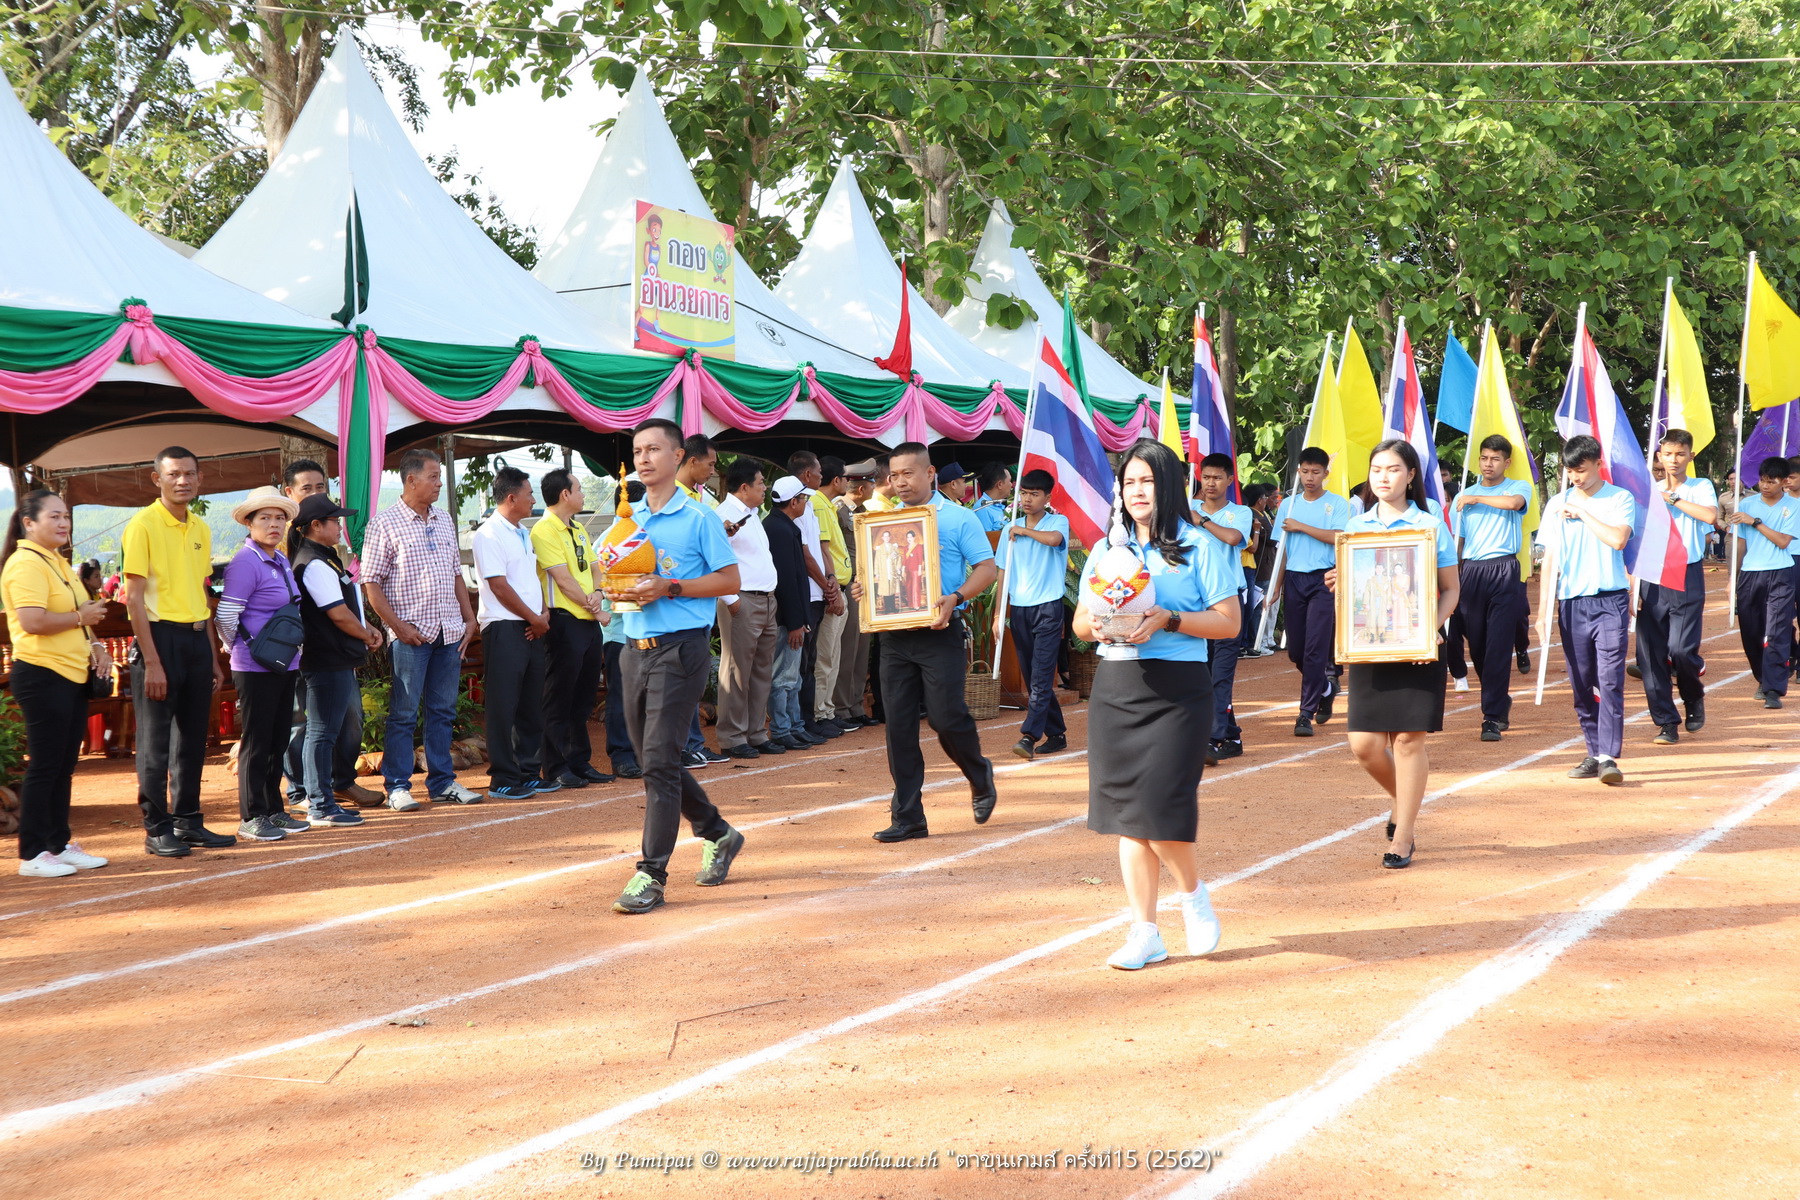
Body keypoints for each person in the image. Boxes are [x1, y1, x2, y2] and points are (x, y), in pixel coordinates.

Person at [1073, 440, 1240, 969]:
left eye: (1146, 480)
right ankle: (1145, 932)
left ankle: (1193, 897)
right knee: (1128, 815)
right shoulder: (1107, 550)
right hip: (1116, 687)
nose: (1136, 491)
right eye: (1129, 482)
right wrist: (1100, 624)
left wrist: (1170, 619)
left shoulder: (1199, 545)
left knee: (1160, 808)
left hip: (1177, 691)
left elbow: (1229, 623)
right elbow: (1080, 623)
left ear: (1167, 485)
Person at [607, 419, 745, 915]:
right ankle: (718, 832)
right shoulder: (629, 516)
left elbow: (730, 580)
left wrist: (671, 587)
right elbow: (617, 573)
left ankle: (651, 874)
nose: (643, 459)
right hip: (632, 647)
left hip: (681, 647)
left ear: (678, 456)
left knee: (659, 760)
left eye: (653, 449)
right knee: (654, 760)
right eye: (637, 451)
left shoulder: (699, 516)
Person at [847, 442, 998, 842]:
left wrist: (956, 598)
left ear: (930, 473)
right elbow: (874, 576)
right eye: (894, 475)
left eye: (908, 473)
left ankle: (978, 773)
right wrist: (864, 588)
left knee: (946, 718)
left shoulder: (959, 518)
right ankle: (908, 816)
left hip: (940, 632)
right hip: (894, 636)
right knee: (897, 727)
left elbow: (987, 568)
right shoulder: (883, 522)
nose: (900, 482)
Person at [1331, 441, 1460, 870]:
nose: (1383, 477)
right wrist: (1340, 581)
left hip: (1419, 647)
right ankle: (1403, 802)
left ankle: (1403, 834)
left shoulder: (1430, 525)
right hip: (1370, 645)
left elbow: (1451, 590)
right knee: (1365, 745)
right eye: (1376, 469)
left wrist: (1430, 629)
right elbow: (1354, 591)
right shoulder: (1355, 528)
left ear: (1411, 475)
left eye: (1393, 469)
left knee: (1407, 740)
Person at [123, 446, 234, 856]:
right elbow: (134, 600)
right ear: (158, 479)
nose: (182, 481)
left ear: (200, 479)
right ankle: (156, 829)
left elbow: (201, 596)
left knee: (192, 739)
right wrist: (152, 661)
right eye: (173, 474)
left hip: (195, 640)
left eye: (189, 474)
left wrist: (213, 655)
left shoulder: (201, 528)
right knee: (155, 744)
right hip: (159, 640)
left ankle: (188, 822)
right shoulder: (142, 525)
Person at [361, 448, 485, 809]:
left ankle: (442, 782)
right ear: (411, 480)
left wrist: (469, 618)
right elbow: (371, 583)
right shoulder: (384, 523)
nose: (439, 483)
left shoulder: (444, 519)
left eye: (439, 476)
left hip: (449, 632)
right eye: (434, 476)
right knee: (403, 713)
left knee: (442, 711)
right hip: (411, 636)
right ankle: (398, 786)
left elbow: (456, 573)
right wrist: (398, 627)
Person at [2, 491, 113, 877]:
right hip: (42, 672)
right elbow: (32, 621)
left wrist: (97, 646)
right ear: (28, 523)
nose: (64, 522)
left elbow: (83, 614)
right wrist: (81, 619)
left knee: (63, 766)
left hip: (71, 673)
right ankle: (33, 854)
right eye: (54, 516)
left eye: (65, 515)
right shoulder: (25, 563)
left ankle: (58, 843)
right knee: (46, 766)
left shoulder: (57, 561)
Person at [279, 459, 379, 812]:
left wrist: (365, 628)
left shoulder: (325, 554)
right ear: (289, 493)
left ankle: (337, 784)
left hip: (335, 653)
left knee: (344, 720)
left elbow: (344, 602)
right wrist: (364, 634)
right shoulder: (295, 546)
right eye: (306, 488)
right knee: (307, 726)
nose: (314, 493)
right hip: (312, 653)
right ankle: (306, 793)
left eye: (320, 487)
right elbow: (336, 612)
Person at [1537, 434, 1637, 785]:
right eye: (1570, 471)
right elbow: (1550, 560)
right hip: (1571, 604)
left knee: (1609, 679)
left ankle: (1609, 757)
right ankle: (1594, 752)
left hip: (1610, 601)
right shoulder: (1556, 505)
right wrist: (1542, 613)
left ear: (1598, 463)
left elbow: (1618, 539)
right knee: (1582, 683)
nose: (1575, 477)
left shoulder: (1620, 498)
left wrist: (1581, 512)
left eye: (1581, 470)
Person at [216, 487, 308, 841]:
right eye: (265, 518)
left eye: (280, 518)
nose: (274, 524)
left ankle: (273, 810)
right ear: (249, 523)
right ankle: (252, 815)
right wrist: (236, 647)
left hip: (284, 662)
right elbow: (226, 615)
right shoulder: (245, 562)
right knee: (257, 740)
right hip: (254, 666)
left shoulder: (280, 559)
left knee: (277, 738)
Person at [1630, 431, 1718, 742]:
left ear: (1690, 456)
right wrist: (1633, 586)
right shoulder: (1646, 491)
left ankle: (1693, 696)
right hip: (1651, 575)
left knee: (1681, 649)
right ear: (1659, 457)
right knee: (1650, 656)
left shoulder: (1700, 486)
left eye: (1680, 454)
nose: (1674, 460)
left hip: (1686, 573)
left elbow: (1710, 515)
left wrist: (1674, 499)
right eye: (1668, 454)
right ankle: (1666, 721)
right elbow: (1635, 538)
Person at [533, 467, 615, 789]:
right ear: (565, 494)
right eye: (579, 489)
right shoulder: (544, 530)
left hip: (588, 621)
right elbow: (563, 580)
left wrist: (598, 593)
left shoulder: (578, 528)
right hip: (564, 622)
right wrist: (595, 607)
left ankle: (579, 761)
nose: (583, 494)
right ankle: (554, 766)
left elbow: (596, 568)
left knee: (583, 696)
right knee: (558, 696)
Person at [473, 466, 550, 801]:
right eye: (529, 494)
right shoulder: (489, 534)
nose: (533, 500)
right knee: (503, 705)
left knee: (530, 702)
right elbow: (499, 586)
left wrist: (542, 613)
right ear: (511, 497)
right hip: (504, 626)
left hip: (531, 625)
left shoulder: (521, 531)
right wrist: (534, 617)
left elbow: (530, 578)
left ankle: (528, 772)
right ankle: (502, 778)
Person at [1451, 434, 1532, 741]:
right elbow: (1458, 540)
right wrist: (1453, 575)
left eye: (1495, 459)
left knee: (1498, 642)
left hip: (1504, 568)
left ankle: (1492, 717)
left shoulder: (1517, 487)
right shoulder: (1464, 495)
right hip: (1471, 571)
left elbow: (1513, 504)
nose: (1488, 464)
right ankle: (1498, 698)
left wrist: (1477, 499)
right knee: (1478, 644)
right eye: (1484, 458)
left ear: (1506, 462)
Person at [1268, 447, 1349, 737]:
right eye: (1305, 471)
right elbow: (1282, 551)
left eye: (1316, 472)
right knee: (1296, 651)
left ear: (1326, 473)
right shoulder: (1288, 506)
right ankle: (1325, 688)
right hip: (1294, 580)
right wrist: (1275, 588)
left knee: (1315, 649)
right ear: (1298, 471)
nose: (1310, 477)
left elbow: (1340, 537)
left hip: (1324, 581)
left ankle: (1305, 713)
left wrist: (1301, 527)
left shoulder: (1337, 504)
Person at [993, 467, 1070, 761]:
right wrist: (998, 614)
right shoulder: (1009, 529)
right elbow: (1003, 571)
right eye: (1023, 493)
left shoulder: (1057, 521)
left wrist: (1023, 531)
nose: (1026, 499)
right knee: (1031, 674)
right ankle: (1057, 733)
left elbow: (1054, 540)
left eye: (1034, 494)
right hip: (1020, 609)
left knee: (1040, 675)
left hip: (1048, 608)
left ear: (1047, 497)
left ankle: (1029, 736)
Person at [715, 459, 784, 758]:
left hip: (766, 599)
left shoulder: (753, 515)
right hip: (742, 600)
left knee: (760, 671)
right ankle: (732, 737)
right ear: (744, 487)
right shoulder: (721, 516)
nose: (765, 487)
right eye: (760, 483)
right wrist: (732, 600)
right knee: (736, 671)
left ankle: (756, 733)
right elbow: (713, 561)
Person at [1193, 453, 1253, 760]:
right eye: (1206, 477)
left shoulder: (1240, 512)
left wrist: (1202, 521)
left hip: (1229, 602)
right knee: (1204, 673)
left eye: (1217, 477)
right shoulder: (1187, 508)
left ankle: (1212, 739)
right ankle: (1231, 737)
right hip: (1197, 602)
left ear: (1230, 480)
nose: (1210, 483)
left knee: (1221, 673)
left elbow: (1233, 538)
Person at [1729, 457, 1799, 709]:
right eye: (1762, 481)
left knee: (1777, 631)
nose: (1765, 486)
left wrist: (1755, 522)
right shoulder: (1746, 504)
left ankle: (1773, 689)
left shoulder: (1793, 506)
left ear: (1784, 482)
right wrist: (1732, 577)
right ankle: (1763, 677)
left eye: (1772, 481)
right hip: (1750, 574)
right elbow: (1739, 544)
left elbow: (1783, 541)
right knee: (1751, 632)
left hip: (1780, 573)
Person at [786, 451, 845, 743]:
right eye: (819, 471)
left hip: (819, 591)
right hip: (807, 594)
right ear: (807, 475)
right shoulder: (795, 507)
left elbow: (823, 550)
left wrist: (830, 581)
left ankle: (809, 720)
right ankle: (800, 722)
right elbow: (807, 555)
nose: (822, 476)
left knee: (809, 662)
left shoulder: (808, 505)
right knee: (801, 664)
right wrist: (827, 585)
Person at [676, 435, 727, 767]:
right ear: (691, 460)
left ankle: (693, 742)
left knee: (692, 683)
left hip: (700, 609)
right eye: (710, 464)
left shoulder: (697, 500)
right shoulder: (673, 500)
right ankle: (682, 746)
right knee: (680, 683)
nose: (713, 470)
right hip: (679, 608)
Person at [763, 476, 816, 751]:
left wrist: (802, 619)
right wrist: (796, 621)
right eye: (803, 498)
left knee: (792, 676)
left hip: (793, 616)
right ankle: (782, 728)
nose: (806, 503)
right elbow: (786, 580)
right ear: (793, 501)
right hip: (787, 618)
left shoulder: (782, 525)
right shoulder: (778, 529)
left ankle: (794, 725)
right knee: (783, 675)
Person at [601, 483, 645, 781]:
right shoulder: (611, 540)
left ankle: (641, 752)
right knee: (621, 697)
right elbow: (606, 589)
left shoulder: (643, 538)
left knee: (643, 696)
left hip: (646, 632)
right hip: (619, 634)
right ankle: (621, 755)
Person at [810, 456, 857, 735]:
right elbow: (822, 550)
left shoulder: (827, 504)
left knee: (833, 656)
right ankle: (820, 713)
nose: (848, 483)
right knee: (825, 657)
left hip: (838, 588)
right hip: (831, 590)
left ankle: (827, 709)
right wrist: (832, 590)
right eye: (846, 478)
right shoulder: (818, 503)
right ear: (837, 480)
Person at [829, 464, 877, 729]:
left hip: (865, 585)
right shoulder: (837, 509)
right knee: (847, 649)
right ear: (861, 488)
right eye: (871, 483)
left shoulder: (862, 511)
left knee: (861, 649)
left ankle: (856, 705)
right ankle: (841, 707)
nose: (874, 487)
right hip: (848, 584)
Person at [971, 462, 1015, 531]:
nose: (1011, 485)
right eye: (1010, 481)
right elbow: (987, 537)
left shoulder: (998, 505)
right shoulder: (983, 509)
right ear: (1000, 484)